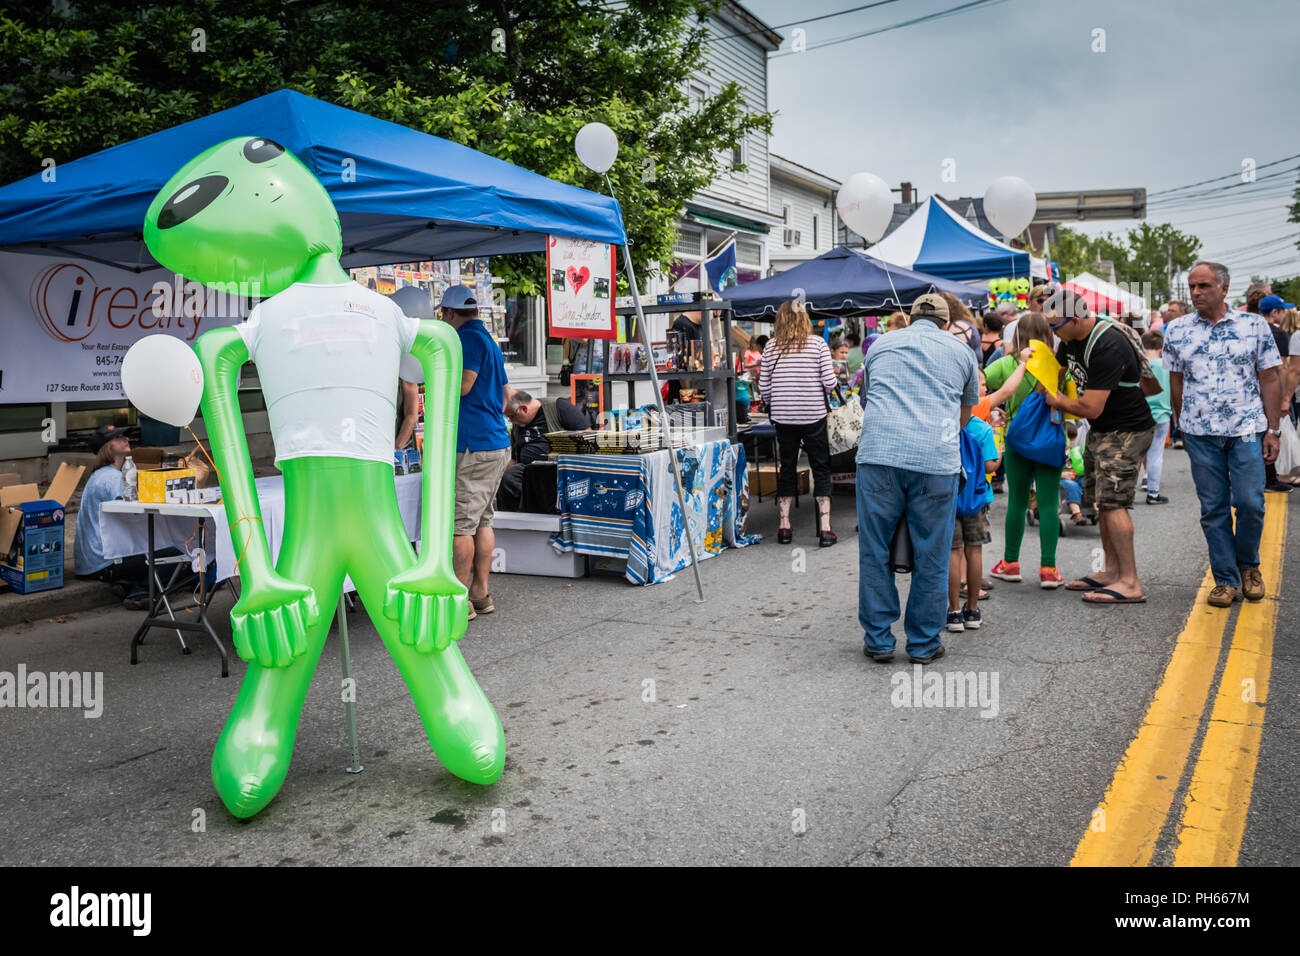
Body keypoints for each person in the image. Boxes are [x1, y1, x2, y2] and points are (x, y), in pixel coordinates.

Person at [855, 293, 979, 665]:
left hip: (879, 455)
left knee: (874, 551)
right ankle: (923, 644)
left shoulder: (879, 345)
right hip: (935, 461)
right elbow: (965, 413)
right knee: (933, 554)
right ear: (945, 323)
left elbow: (867, 399)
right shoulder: (961, 351)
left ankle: (878, 640)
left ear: (908, 319)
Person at [1162, 263, 1283, 607]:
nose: (1196, 293)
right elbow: (1176, 381)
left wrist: (1272, 430)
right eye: (1193, 287)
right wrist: (1180, 425)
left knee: (1250, 503)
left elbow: (1270, 378)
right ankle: (1226, 579)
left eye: (1204, 286)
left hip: (1246, 428)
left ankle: (1249, 566)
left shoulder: (1254, 326)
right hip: (1200, 433)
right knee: (1213, 508)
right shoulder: (1177, 330)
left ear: (1224, 288)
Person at [1043, 290, 1156, 604]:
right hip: (1104, 429)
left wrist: (1057, 400)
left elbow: (1090, 407)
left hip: (1127, 430)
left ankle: (1130, 581)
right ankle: (1111, 571)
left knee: (1114, 503)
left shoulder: (1108, 344)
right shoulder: (1069, 338)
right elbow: (1055, 371)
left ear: (1076, 319)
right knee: (1102, 502)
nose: (1053, 334)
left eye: (1055, 327)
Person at [985, 312, 1070, 588]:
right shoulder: (1058, 365)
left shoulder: (1008, 364)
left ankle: (1010, 563)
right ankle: (1048, 568)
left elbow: (978, 383)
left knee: (1018, 503)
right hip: (1050, 442)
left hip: (1017, 441)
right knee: (1047, 505)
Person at [442, 284, 511, 621]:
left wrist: (433, 383)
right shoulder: (489, 340)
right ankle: (480, 594)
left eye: (443, 314)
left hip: (474, 445)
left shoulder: (466, 339)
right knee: (482, 519)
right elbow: (506, 394)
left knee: (461, 525)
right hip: (495, 440)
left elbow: (465, 384)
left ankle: (459, 601)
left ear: (450, 313)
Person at [758, 300, 838, 546]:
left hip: (783, 417)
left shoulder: (771, 347)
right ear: (805, 319)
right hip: (813, 415)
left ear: (780, 321)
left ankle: (784, 526)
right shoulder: (817, 344)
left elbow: (764, 388)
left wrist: (780, 397)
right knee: (821, 467)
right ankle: (825, 529)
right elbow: (830, 383)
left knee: (787, 467)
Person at [498, 389, 596, 511]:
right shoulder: (518, 425)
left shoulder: (558, 407)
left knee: (539, 482)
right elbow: (514, 459)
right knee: (508, 478)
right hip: (527, 470)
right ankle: (511, 522)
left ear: (524, 408)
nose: (511, 421)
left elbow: (588, 437)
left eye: (512, 416)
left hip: (555, 469)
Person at [947, 412, 1001, 633]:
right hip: (976, 500)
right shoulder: (982, 428)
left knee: (953, 552)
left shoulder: (943, 421)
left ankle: (953, 612)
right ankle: (973, 610)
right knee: (974, 551)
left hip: (948, 499)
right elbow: (990, 466)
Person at [1258, 294, 1295, 491]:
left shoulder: (1252, 330)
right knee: (1271, 433)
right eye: (1282, 310)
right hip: (1271, 391)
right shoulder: (1277, 334)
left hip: (1254, 392)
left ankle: (1262, 477)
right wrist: (1284, 399)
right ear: (1274, 312)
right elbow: (1280, 368)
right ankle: (1269, 478)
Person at [1140, 330, 1173, 503]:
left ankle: (1126, 493)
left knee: (1135, 454)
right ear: (1162, 348)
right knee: (1156, 454)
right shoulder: (1166, 366)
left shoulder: (1139, 365)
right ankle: (1153, 492)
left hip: (1140, 414)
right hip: (1162, 416)